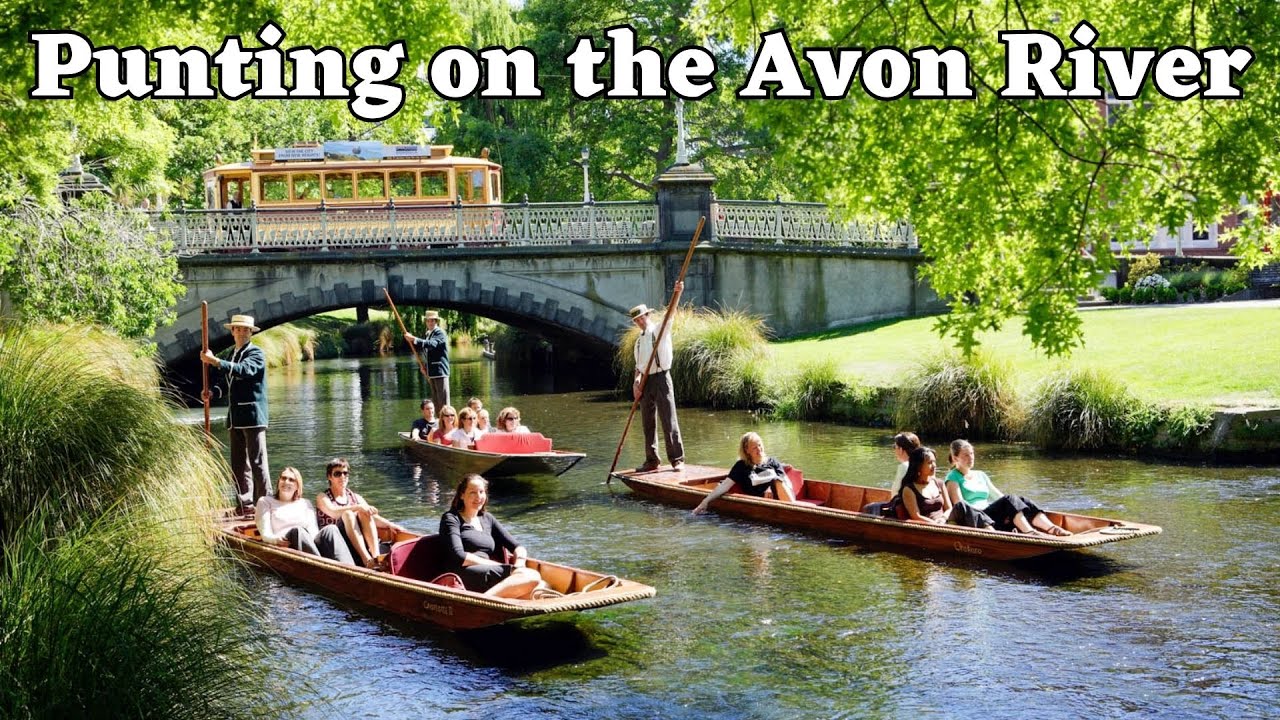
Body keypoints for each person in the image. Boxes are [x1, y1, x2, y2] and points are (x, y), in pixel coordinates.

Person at [201, 314, 270, 514]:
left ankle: (265, 504)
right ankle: (245, 504)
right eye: (237, 329)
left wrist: (216, 361)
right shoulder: (232, 353)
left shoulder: (256, 353)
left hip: (253, 416)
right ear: (232, 332)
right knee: (238, 465)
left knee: (257, 463)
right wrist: (213, 393)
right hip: (235, 418)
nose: (241, 332)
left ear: (250, 332)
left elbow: (244, 370)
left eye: (245, 329)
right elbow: (227, 382)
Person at [439, 473, 542, 597]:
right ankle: (484, 600)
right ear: (462, 495)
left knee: (542, 585)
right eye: (472, 492)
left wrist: (520, 563)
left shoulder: (487, 518)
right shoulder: (451, 518)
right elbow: (459, 556)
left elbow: (517, 547)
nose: (478, 497)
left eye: (481, 492)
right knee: (532, 576)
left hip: (488, 571)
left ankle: (491, 599)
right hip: (464, 572)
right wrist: (500, 566)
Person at [945, 440, 1072, 536]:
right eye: (966, 455)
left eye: (972, 454)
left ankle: (1052, 528)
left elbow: (998, 496)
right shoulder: (952, 477)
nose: (971, 458)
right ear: (955, 458)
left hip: (989, 514)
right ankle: (1029, 532)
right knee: (1010, 499)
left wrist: (1012, 508)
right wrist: (1008, 503)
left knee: (1020, 500)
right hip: (975, 518)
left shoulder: (981, 475)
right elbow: (959, 505)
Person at [631, 280, 685, 472]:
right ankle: (652, 460)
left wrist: (677, 293)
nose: (640, 322)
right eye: (636, 320)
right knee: (648, 423)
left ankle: (677, 459)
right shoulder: (638, 342)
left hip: (662, 378)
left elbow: (670, 313)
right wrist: (636, 384)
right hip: (646, 383)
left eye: (641, 318)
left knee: (668, 419)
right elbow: (639, 367)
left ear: (647, 315)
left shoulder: (659, 330)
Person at [316, 458, 405, 568]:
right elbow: (333, 512)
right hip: (336, 541)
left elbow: (373, 517)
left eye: (345, 473)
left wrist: (390, 524)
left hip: (356, 540)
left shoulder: (355, 497)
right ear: (329, 477)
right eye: (337, 474)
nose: (342, 477)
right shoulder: (323, 497)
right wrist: (358, 507)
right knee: (349, 514)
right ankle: (366, 560)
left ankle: (376, 557)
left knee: (364, 512)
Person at [256, 467, 353, 564]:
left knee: (331, 529)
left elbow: (313, 531)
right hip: (284, 545)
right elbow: (265, 534)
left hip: (306, 547)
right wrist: (275, 540)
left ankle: (349, 567)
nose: (286, 482)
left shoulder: (305, 503)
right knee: (298, 530)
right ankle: (320, 566)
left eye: (291, 480)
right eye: (283, 478)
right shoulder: (265, 501)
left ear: (297, 486)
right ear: (279, 482)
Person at [692, 432, 796, 515]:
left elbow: (785, 482)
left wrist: (770, 486)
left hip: (782, 500)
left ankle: (795, 510)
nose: (759, 449)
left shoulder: (773, 462)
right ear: (747, 450)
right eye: (754, 448)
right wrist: (705, 501)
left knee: (777, 480)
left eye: (760, 445)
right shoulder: (741, 466)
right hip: (762, 503)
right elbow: (725, 485)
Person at [898, 446, 993, 529]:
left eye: (934, 462)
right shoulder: (909, 489)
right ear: (918, 466)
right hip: (931, 527)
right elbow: (916, 516)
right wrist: (936, 524)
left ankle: (990, 530)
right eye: (929, 462)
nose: (934, 465)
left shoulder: (939, 483)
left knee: (960, 505)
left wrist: (943, 519)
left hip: (947, 522)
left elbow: (949, 508)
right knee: (961, 505)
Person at [863, 431, 921, 516]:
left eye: (895, 447)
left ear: (901, 449)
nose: (894, 450)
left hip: (902, 510)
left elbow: (895, 493)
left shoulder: (904, 466)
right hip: (916, 506)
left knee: (868, 508)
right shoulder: (921, 465)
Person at [403, 310, 450, 411]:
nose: (430, 323)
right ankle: (439, 420)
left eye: (432, 321)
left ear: (436, 321)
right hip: (432, 372)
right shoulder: (429, 333)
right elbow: (429, 353)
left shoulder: (439, 333)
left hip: (440, 372)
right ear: (426, 322)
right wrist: (425, 367)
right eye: (428, 321)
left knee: (443, 402)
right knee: (436, 401)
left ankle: (447, 419)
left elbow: (432, 344)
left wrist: (414, 339)